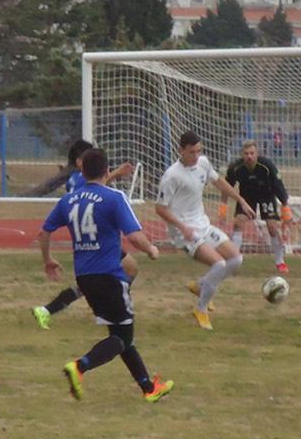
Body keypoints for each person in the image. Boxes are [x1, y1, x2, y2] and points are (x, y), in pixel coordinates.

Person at [39, 148, 173, 402]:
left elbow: (44, 231)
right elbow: (133, 235)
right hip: (110, 276)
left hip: (85, 279)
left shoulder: (69, 199)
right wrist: (152, 249)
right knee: (122, 338)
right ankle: (79, 367)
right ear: (107, 171)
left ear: (83, 172)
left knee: (120, 334)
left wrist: (48, 260)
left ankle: (149, 388)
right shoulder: (114, 197)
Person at [31, 139, 138, 330]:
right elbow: (93, 189)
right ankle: (113, 305)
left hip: (91, 238)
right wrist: (117, 173)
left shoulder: (78, 178)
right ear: (80, 161)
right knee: (112, 275)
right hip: (96, 239)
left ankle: (48, 310)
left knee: (126, 268)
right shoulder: (79, 178)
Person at [155, 131, 255, 331]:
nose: (196, 156)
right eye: (192, 152)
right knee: (218, 264)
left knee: (236, 259)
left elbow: (219, 183)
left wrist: (241, 200)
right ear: (181, 151)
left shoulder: (203, 163)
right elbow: (160, 208)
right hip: (184, 231)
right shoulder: (172, 176)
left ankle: (201, 286)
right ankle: (201, 309)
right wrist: (182, 228)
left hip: (203, 225)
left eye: (198, 151)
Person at [221, 140, 293, 273]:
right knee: (238, 224)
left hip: (266, 195)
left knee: (272, 227)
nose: (249, 156)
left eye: (252, 153)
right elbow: (226, 187)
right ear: (242, 154)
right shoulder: (235, 167)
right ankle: (233, 262)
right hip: (247, 197)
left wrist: (285, 206)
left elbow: (279, 186)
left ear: (257, 154)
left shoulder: (266, 166)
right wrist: (223, 207)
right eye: (246, 153)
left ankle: (280, 262)